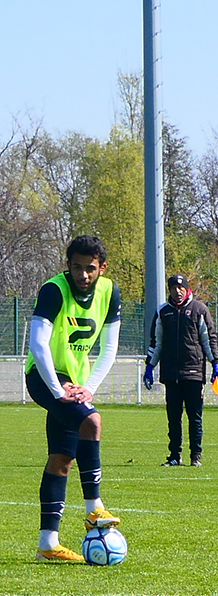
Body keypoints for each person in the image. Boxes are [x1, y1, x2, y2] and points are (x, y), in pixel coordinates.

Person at [25, 235, 122, 563]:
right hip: (44, 376)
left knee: (62, 459)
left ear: (102, 268)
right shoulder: (54, 290)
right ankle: (95, 509)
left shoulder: (109, 291)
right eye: (76, 267)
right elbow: (38, 344)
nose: (83, 275)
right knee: (92, 421)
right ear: (67, 265)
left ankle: (48, 545)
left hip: (75, 383)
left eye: (90, 268)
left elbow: (109, 348)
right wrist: (57, 390)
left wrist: (88, 387)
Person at [144, 273, 215, 467]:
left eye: (181, 287)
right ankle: (174, 456)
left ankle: (196, 456)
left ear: (187, 289)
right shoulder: (163, 312)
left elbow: (209, 339)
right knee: (173, 418)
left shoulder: (199, 309)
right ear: (170, 290)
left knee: (195, 418)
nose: (178, 291)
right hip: (171, 374)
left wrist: (215, 363)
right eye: (174, 288)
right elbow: (156, 342)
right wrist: (149, 366)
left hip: (194, 374)